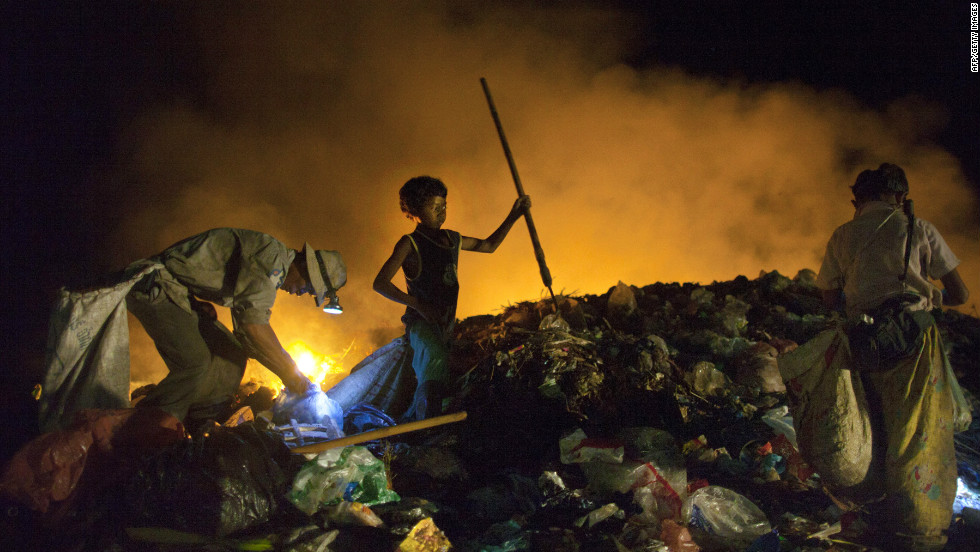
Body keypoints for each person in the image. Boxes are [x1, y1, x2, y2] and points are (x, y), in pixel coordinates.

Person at [816, 163, 969, 552]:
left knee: (874, 428)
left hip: (863, 344)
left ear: (858, 200)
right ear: (900, 196)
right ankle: (920, 535)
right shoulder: (919, 228)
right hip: (913, 342)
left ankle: (874, 516)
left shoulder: (842, 236)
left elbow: (830, 296)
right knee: (918, 437)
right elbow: (960, 293)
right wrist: (931, 299)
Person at [125, 227, 347, 427]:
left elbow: (247, 339)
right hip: (155, 283)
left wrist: (288, 375)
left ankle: (198, 422)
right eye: (307, 287)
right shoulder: (270, 260)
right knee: (194, 362)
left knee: (232, 355)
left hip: (179, 292)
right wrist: (291, 371)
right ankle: (146, 425)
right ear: (303, 267)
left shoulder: (272, 262)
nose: (301, 293)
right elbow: (253, 326)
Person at [374, 176, 530, 420]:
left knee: (442, 374)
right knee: (434, 368)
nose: (441, 212)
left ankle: (425, 422)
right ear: (413, 211)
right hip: (421, 326)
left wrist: (514, 215)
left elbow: (489, 245)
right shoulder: (410, 244)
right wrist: (417, 304)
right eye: (434, 207)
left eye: (444, 206)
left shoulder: (452, 239)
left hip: (445, 325)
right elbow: (380, 283)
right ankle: (427, 432)